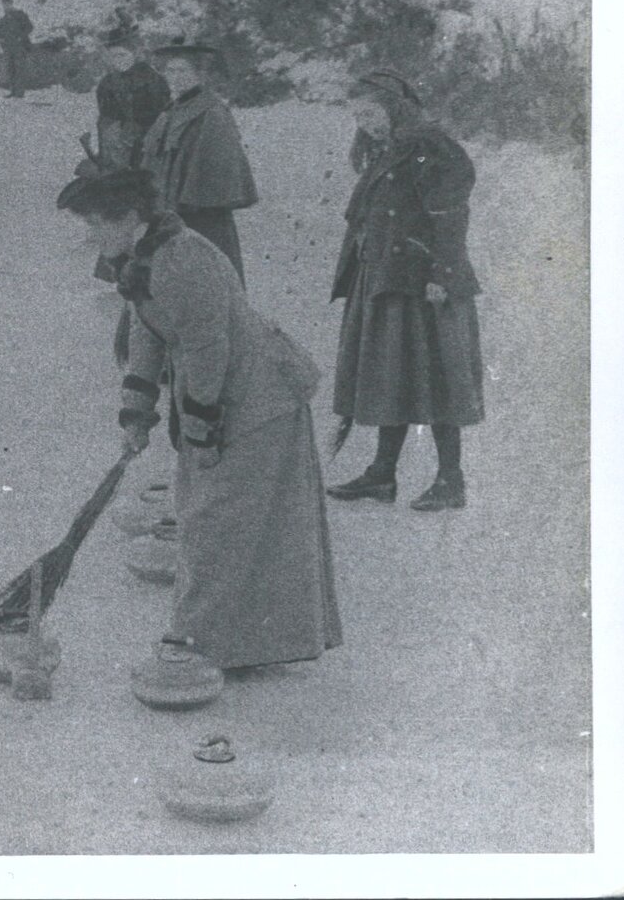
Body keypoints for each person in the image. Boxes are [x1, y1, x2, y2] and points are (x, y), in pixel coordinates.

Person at [62, 166, 341, 674]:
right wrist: (137, 410)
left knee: (218, 521)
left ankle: (201, 640)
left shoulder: (182, 260)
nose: (89, 236)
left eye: (94, 224)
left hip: (258, 401)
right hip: (226, 395)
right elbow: (147, 332)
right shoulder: (142, 257)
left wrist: (200, 427)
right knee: (211, 517)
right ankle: (233, 641)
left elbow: (208, 347)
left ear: (128, 217)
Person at [325, 71, 484, 512]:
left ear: (394, 107)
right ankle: (381, 473)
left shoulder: (429, 146)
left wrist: (442, 274)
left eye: (370, 113)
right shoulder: (387, 148)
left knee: (437, 380)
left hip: (423, 284)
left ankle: (451, 480)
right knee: (390, 375)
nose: (365, 123)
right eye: (358, 116)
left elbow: (451, 214)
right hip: (385, 277)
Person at [139, 40, 258, 283]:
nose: (174, 77)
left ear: (199, 75)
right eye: (170, 71)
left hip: (202, 215)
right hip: (168, 212)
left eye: (182, 71)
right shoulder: (171, 111)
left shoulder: (212, 112)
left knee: (209, 277)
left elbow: (222, 167)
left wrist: (191, 196)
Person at [93, 30, 172, 171]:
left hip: (147, 142)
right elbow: (105, 117)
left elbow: (163, 115)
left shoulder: (152, 79)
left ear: (134, 54)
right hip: (116, 144)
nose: (118, 60)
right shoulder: (107, 83)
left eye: (122, 55)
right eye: (113, 56)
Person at [0, 0, 34, 98]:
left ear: (11, 3)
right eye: (4, 4)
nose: (5, 6)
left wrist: (20, 37)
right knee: (10, 69)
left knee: (19, 69)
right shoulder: (3, 19)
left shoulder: (20, 15)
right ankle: (13, 91)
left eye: (7, 3)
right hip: (8, 48)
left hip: (19, 47)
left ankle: (20, 93)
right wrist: (1, 40)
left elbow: (29, 27)